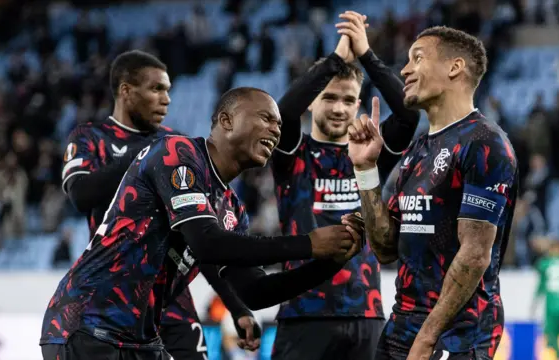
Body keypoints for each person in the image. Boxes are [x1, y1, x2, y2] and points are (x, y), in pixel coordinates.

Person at [41, 86, 364, 360]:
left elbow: (254, 291)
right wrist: (308, 244)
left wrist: (330, 261)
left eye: (278, 124)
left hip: (141, 339)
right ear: (226, 120)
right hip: (87, 324)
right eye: (266, 118)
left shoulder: (232, 209)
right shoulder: (177, 152)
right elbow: (206, 242)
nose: (276, 130)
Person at [60, 50, 261, 360]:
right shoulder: (91, 138)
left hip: (173, 302)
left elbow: (200, 235)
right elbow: (81, 196)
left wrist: (237, 307)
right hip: (117, 299)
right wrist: (145, 156)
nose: (167, 98)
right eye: (157, 89)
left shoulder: (177, 146)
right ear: (126, 91)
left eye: (168, 89)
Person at [346, 26, 519, 360]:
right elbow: (384, 248)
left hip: (456, 335)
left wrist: (426, 340)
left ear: (454, 68)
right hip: (403, 324)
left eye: (418, 58)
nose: (405, 70)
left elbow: (474, 254)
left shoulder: (484, 143)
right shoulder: (419, 149)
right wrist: (366, 171)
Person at [269, 11, 419, 360]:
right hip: (303, 315)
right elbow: (283, 113)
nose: (340, 108)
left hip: (365, 314)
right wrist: (336, 60)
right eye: (330, 97)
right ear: (312, 101)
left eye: (349, 100)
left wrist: (368, 55)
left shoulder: (371, 154)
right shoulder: (293, 152)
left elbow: (409, 115)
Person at [531, 240, 559, 360]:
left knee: (550, 331)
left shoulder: (545, 263)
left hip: (552, 303)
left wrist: (534, 302)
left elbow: (541, 284)